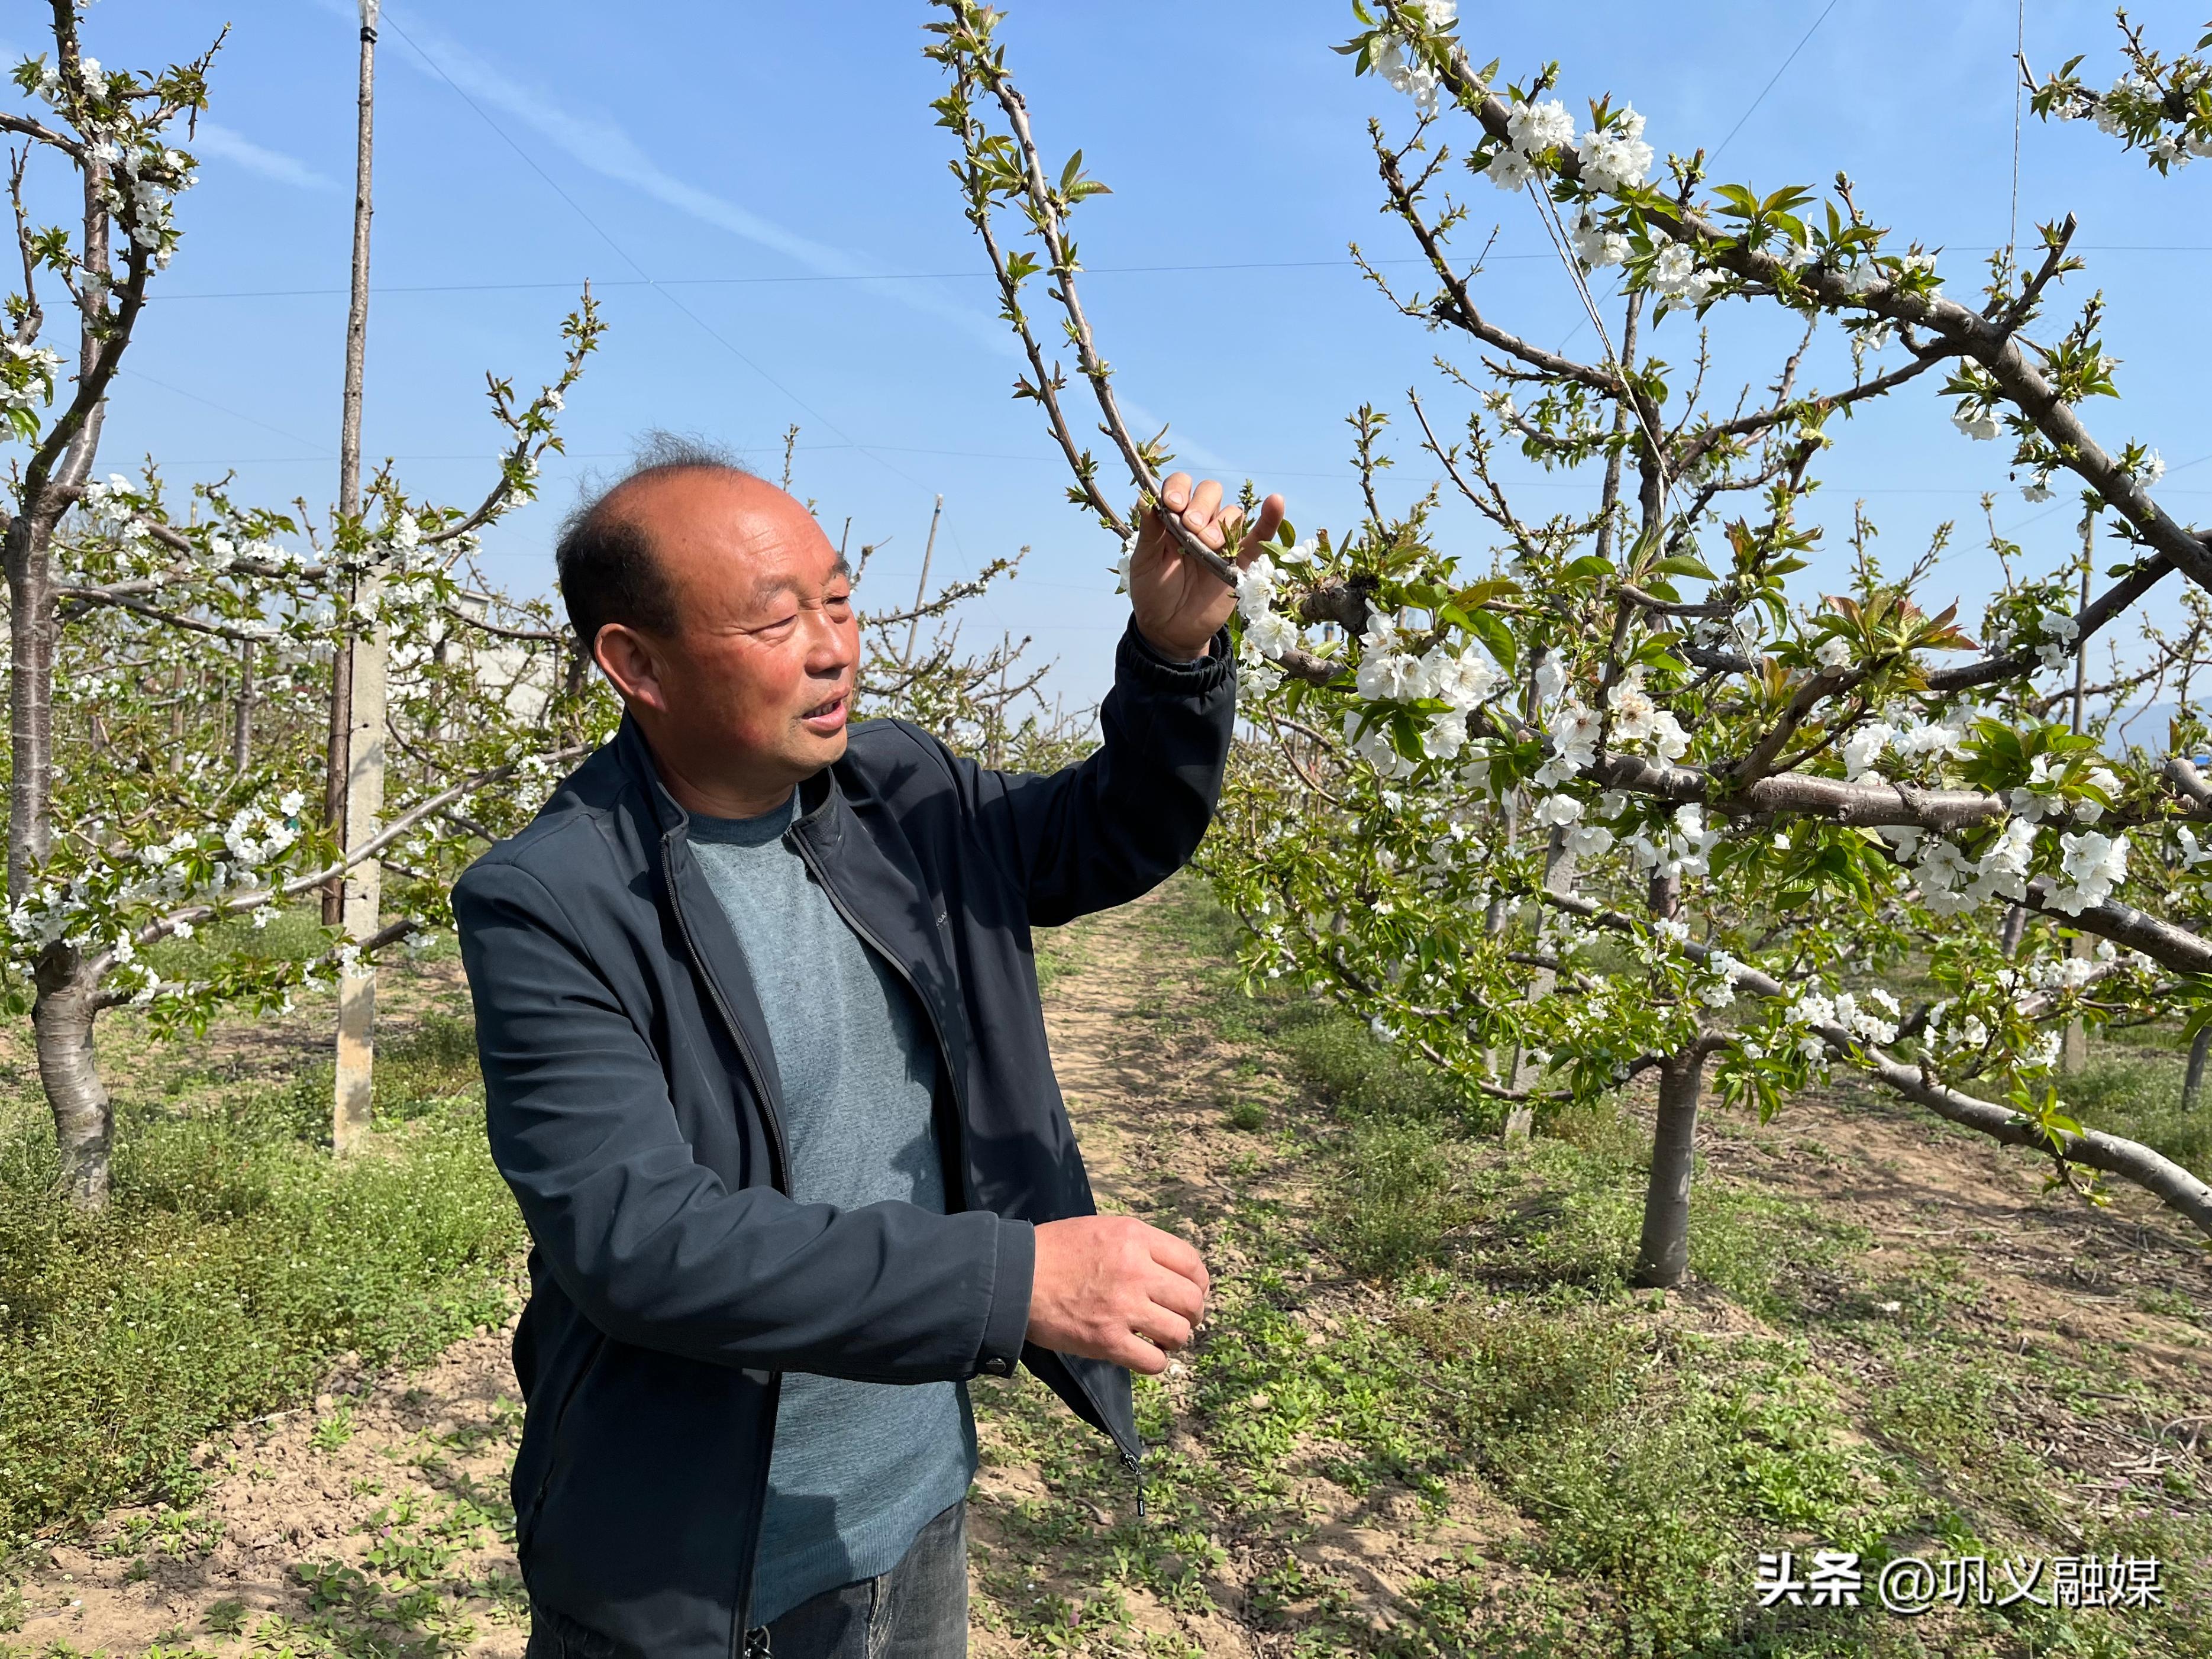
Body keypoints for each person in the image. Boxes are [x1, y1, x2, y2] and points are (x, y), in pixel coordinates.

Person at [453, 435, 1285, 1659]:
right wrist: (1017, 1281)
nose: (833, 646)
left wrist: (1170, 654)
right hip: (685, 1566)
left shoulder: (903, 794)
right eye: (776, 620)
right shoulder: (553, 899)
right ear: (637, 663)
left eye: (838, 599)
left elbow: (1114, 831)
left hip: (908, 1509)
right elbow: (641, 1240)